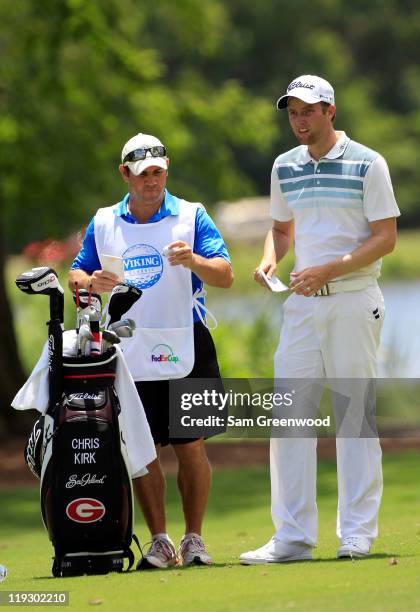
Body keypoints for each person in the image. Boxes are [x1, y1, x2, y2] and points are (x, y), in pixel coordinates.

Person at [240, 75, 400, 564]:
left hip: (353, 297)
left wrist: (332, 267)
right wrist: (271, 259)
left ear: (331, 111)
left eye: (308, 110)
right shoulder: (284, 166)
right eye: (292, 112)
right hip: (302, 306)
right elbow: (282, 230)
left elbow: (386, 237)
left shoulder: (368, 163)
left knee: (354, 418)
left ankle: (355, 534)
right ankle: (292, 537)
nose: (299, 120)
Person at [69, 132, 233, 569]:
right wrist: (91, 283)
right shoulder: (104, 221)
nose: (151, 182)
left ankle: (194, 539)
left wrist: (194, 261)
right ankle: (160, 541)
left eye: (158, 172)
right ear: (125, 174)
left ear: (167, 170)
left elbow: (225, 275)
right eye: (142, 174)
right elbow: (76, 276)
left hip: (187, 342)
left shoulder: (192, 216)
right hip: (128, 346)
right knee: (143, 450)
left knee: (191, 444)